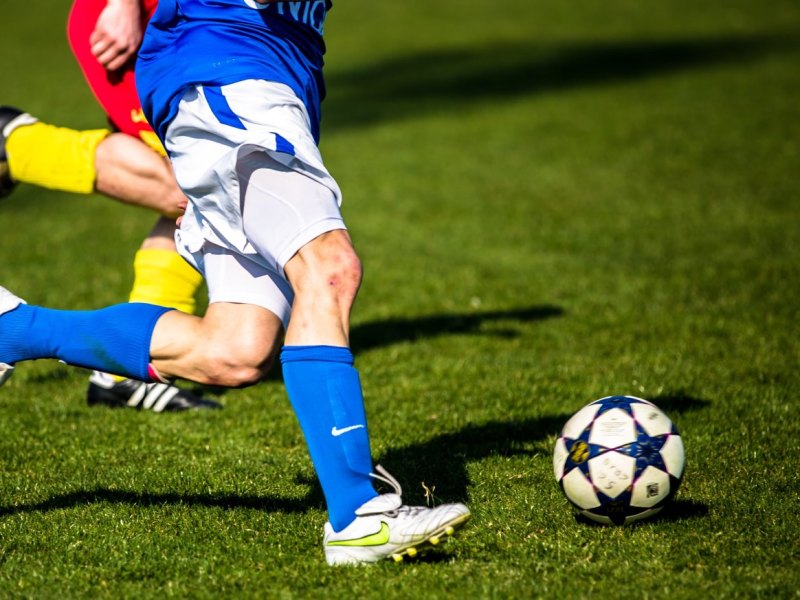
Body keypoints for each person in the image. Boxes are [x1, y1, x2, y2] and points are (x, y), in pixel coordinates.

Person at [0, 0, 471, 565]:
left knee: (235, 350)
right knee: (329, 267)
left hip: (264, 78)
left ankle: (14, 329)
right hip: (226, 68)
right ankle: (356, 516)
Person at [0, 0, 219, 412]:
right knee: (196, 191)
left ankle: (122, 372)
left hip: (198, 22)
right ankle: (17, 146)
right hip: (136, 19)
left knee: (210, 191)